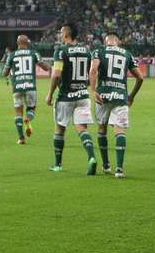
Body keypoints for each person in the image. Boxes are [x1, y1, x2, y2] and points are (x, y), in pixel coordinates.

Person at [89, 32, 144, 177]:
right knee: (120, 130)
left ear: (106, 41)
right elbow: (140, 77)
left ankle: (106, 165)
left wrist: (93, 90)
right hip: (120, 96)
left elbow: (93, 69)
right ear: (117, 41)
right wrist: (131, 96)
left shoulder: (98, 51)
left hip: (102, 95)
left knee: (102, 129)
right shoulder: (127, 54)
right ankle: (119, 169)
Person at [46, 24, 97, 174]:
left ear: (67, 34)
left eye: (61, 32)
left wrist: (50, 94)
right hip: (82, 95)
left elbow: (56, 74)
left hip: (66, 97)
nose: (60, 35)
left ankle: (58, 164)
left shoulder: (61, 51)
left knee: (60, 129)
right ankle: (92, 158)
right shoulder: (87, 50)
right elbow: (92, 72)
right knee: (82, 128)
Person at [3, 35, 51, 145]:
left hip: (17, 87)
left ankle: (21, 138)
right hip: (30, 86)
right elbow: (44, 66)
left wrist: (10, 70)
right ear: (27, 43)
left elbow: (4, 73)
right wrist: (50, 67)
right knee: (31, 109)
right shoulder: (33, 53)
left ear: (17, 43)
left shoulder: (11, 55)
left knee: (18, 112)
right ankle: (28, 119)